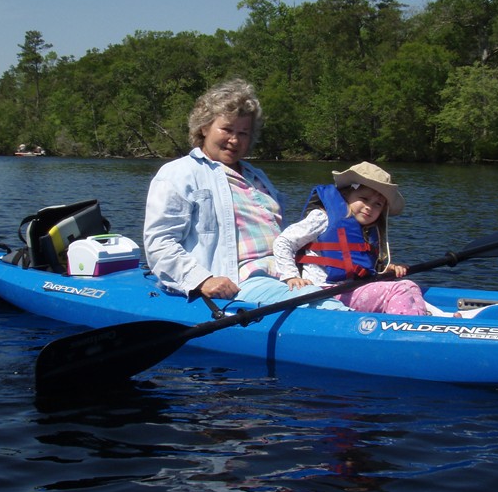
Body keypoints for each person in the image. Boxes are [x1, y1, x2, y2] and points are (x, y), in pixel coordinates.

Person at [143, 79, 347, 309]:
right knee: (325, 307)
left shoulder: (256, 176)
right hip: (243, 280)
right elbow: (159, 243)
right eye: (227, 129)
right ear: (204, 127)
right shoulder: (179, 173)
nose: (234, 140)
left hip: (287, 273)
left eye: (243, 133)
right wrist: (202, 280)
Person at [273, 162, 436, 316]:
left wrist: (385, 269)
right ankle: (406, 331)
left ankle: (424, 322)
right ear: (346, 195)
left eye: (378, 205)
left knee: (410, 285)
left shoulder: (365, 230)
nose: (369, 207)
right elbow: (283, 242)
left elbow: (358, 265)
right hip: (325, 291)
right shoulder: (323, 218)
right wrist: (291, 276)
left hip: (351, 289)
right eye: (364, 199)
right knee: (399, 290)